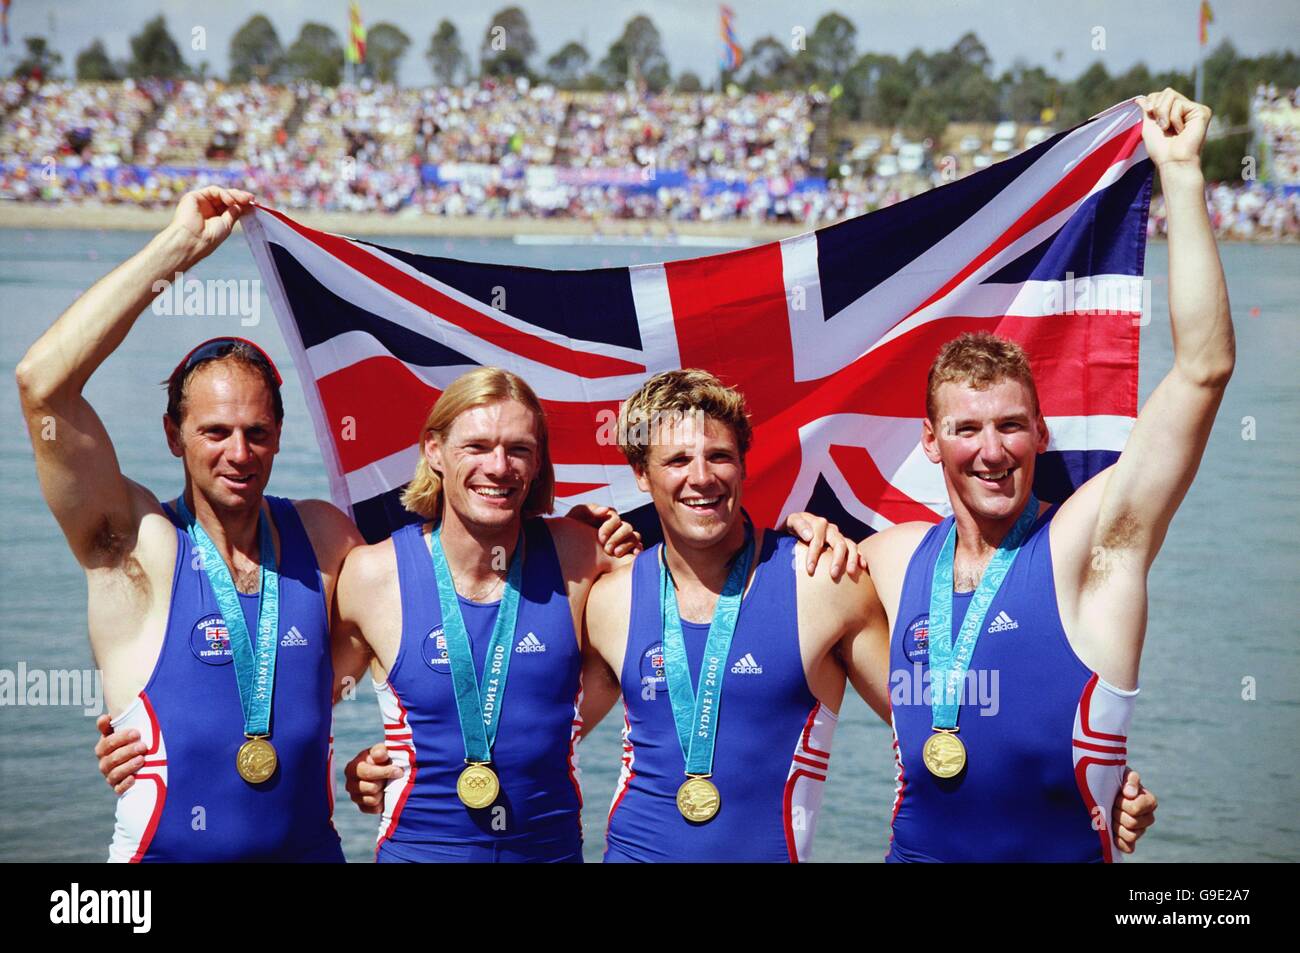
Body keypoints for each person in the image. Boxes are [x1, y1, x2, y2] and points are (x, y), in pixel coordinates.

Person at [579, 370, 1158, 862]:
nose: (701, 476)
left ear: (744, 466)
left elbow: (946, 717)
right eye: (677, 459)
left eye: (720, 456)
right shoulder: (608, 599)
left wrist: (1097, 782)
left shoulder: (823, 581)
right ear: (641, 474)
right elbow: (532, 736)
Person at [855, 88, 1222, 861]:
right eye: (967, 429)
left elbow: (1201, 371)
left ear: (1040, 433)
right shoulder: (888, 559)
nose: (992, 450)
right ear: (930, 441)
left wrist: (1181, 176)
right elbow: (735, 576)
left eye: (1011, 425)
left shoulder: (1093, 546)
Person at [17, 187, 362, 861]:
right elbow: (43, 385)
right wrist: (176, 250)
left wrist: (386, 756)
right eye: (215, 432)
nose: (239, 453)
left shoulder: (325, 540)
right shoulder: (134, 546)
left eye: (257, 432)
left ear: (280, 434)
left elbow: (439, 615)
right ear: (173, 435)